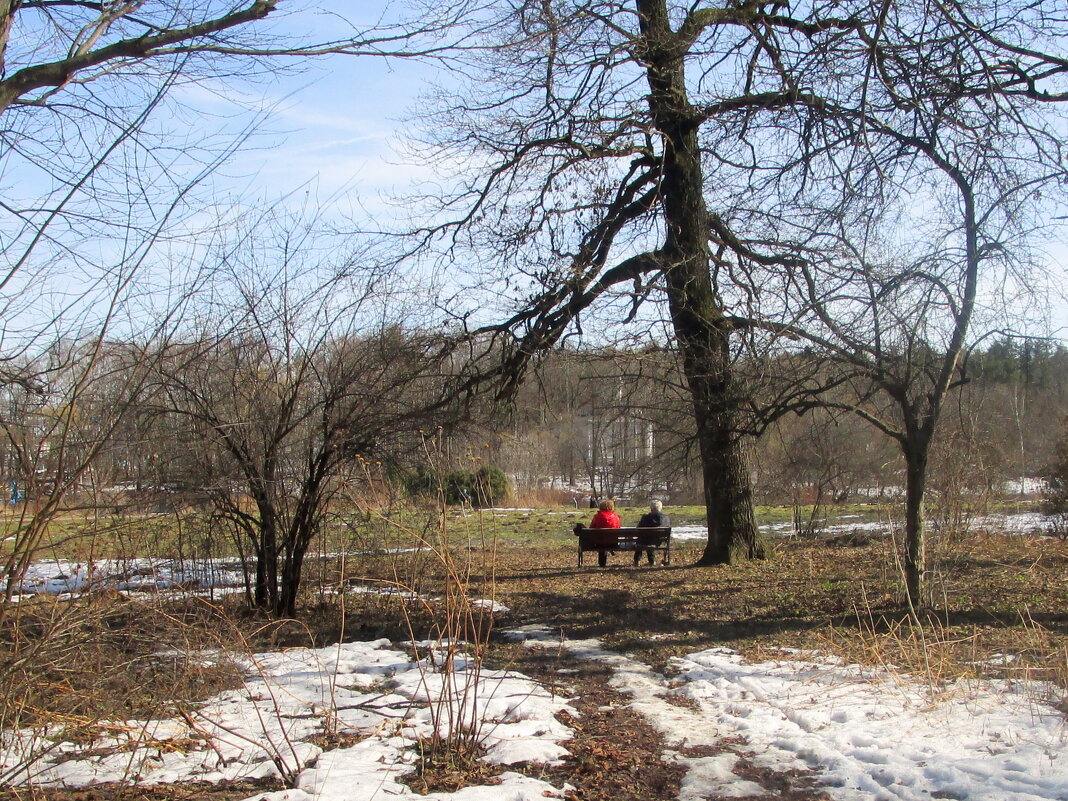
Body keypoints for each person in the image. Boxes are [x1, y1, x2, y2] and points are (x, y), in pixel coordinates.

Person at [634, 499, 670, 566]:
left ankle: (637, 560)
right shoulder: (666, 518)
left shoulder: (645, 518)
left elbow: (638, 529)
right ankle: (652, 561)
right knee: (648, 539)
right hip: (660, 541)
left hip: (646, 541)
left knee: (642, 539)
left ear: (651, 508)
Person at [588, 498, 621, 567]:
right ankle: (610, 551)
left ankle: (602, 563)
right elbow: (618, 527)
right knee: (606, 539)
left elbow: (591, 529)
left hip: (599, 543)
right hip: (613, 542)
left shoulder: (597, 517)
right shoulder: (616, 517)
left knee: (601, 539)